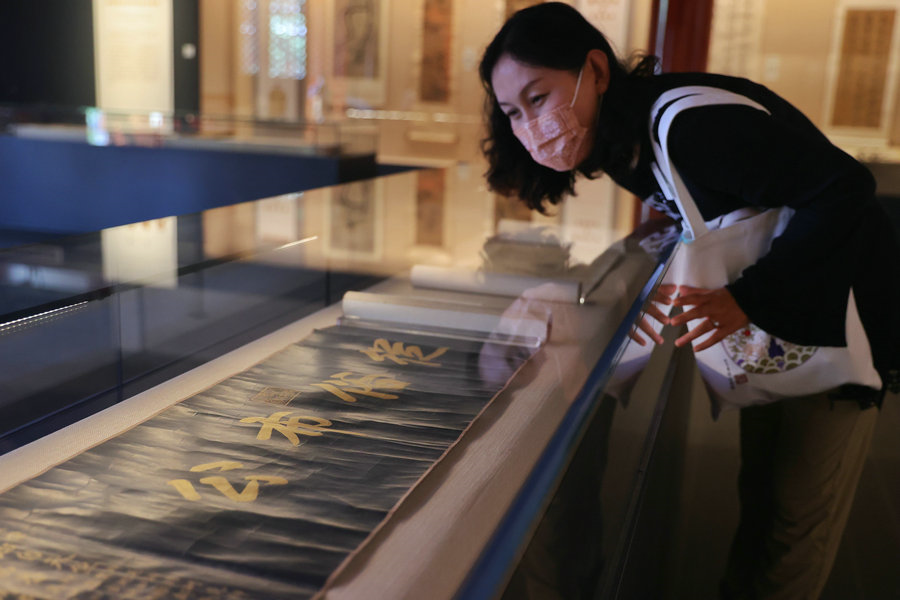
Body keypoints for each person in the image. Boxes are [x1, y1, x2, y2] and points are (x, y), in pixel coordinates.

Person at [479, 3, 900, 599]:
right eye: (513, 112)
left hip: (840, 317)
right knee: (763, 492)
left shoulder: (688, 126)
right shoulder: (624, 147)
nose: (530, 125)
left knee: (798, 518)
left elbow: (846, 189)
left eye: (539, 97)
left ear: (595, 70)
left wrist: (748, 298)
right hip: (781, 328)